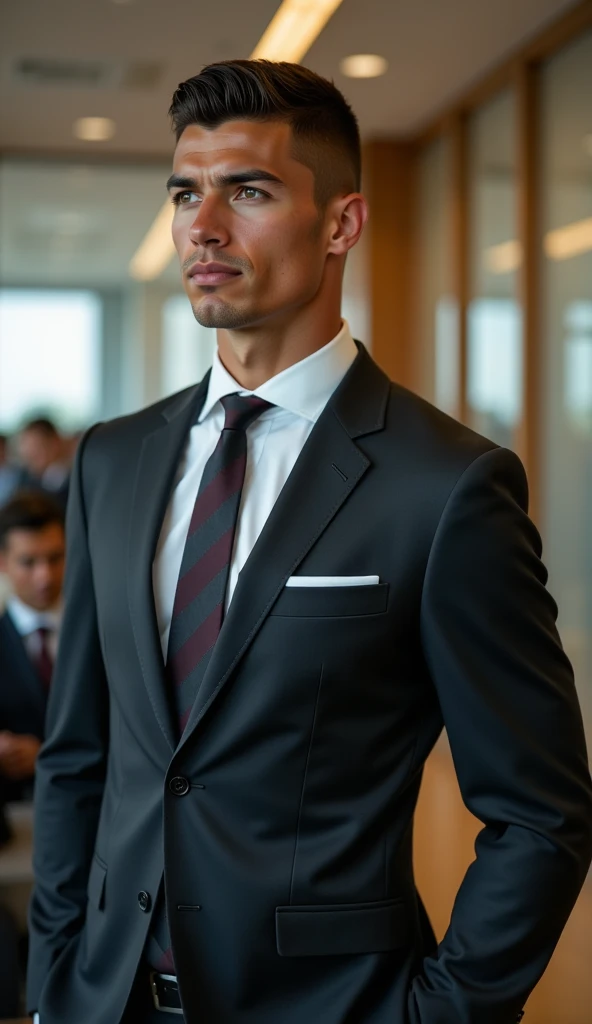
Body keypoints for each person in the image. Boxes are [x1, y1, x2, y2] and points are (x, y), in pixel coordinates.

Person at [27, 60, 592, 1024]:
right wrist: (52, 985)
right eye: (184, 192)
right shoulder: (111, 463)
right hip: (104, 999)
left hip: (331, 1003)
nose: (203, 226)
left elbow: (541, 813)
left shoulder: (446, 485)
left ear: (341, 224)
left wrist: (441, 1014)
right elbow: (79, 754)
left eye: (247, 191)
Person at [0, 492, 65, 804]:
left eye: (55, 558)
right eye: (28, 562)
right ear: (2, 562)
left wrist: (45, 754)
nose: (45, 576)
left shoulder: (102, 633)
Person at [15, 418, 70, 508]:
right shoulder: (27, 481)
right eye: (27, 448)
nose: (30, 455)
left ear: (54, 443)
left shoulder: (73, 477)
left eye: (36, 447)